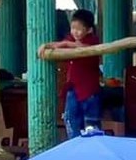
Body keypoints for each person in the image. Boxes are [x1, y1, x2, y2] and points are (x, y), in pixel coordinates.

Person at [36, 10, 102, 139]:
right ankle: (74, 145)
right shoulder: (70, 39)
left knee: (91, 124)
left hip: (90, 91)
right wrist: (46, 45)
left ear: (89, 30)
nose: (75, 32)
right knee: (71, 119)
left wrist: (66, 44)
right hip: (73, 89)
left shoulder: (93, 41)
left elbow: (82, 48)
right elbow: (60, 44)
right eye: (73, 28)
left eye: (79, 29)